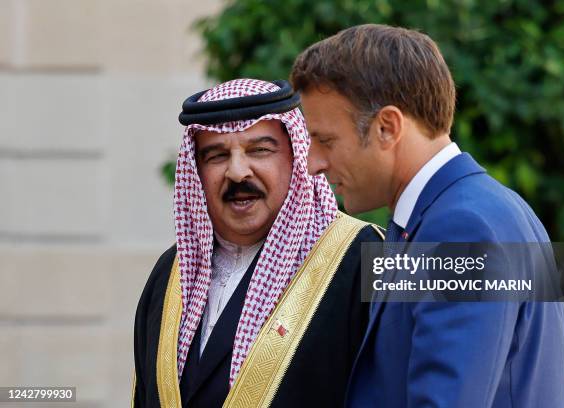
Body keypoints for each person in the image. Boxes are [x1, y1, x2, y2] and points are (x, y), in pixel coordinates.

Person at [291, 24, 564, 407]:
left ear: (387, 127)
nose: (313, 164)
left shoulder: (461, 228)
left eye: (325, 140)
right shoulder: (493, 209)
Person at [132, 79, 383, 408]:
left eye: (259, 150)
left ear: (296, 158)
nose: (237, 173)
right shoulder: (170, 273)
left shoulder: (369, 255)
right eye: (216, 156)